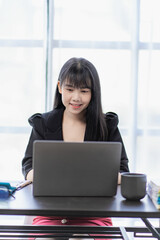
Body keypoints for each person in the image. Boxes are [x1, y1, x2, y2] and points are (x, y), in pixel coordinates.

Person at [22, 57, 129, 240]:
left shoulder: (107, 125)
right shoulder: (43, 123)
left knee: (82, 237)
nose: (76, 97)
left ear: (93, 93)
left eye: (84, 91)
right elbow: (28, 167)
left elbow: (123, 171)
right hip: (50, 213)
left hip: (94, 214)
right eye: (70, 89)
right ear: (59, 87)